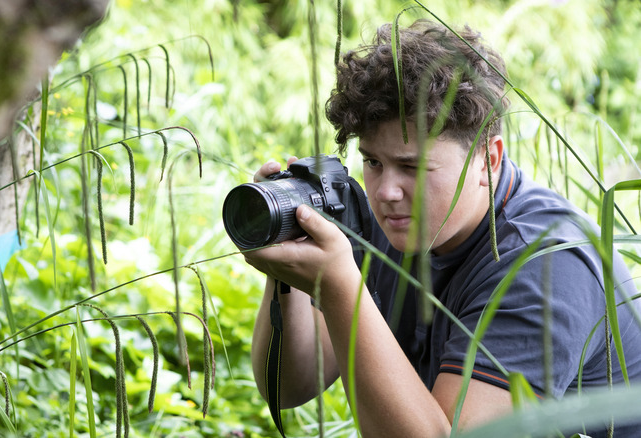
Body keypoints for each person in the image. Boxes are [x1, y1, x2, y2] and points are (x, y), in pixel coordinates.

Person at [242, 19, 641, 437]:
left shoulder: (547, 265)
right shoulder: (396, 223)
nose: (386, 192)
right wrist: (286, 263)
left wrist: (342, 287)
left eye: (413, 167)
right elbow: (290, 386)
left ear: (488, 159)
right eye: (373, 162)